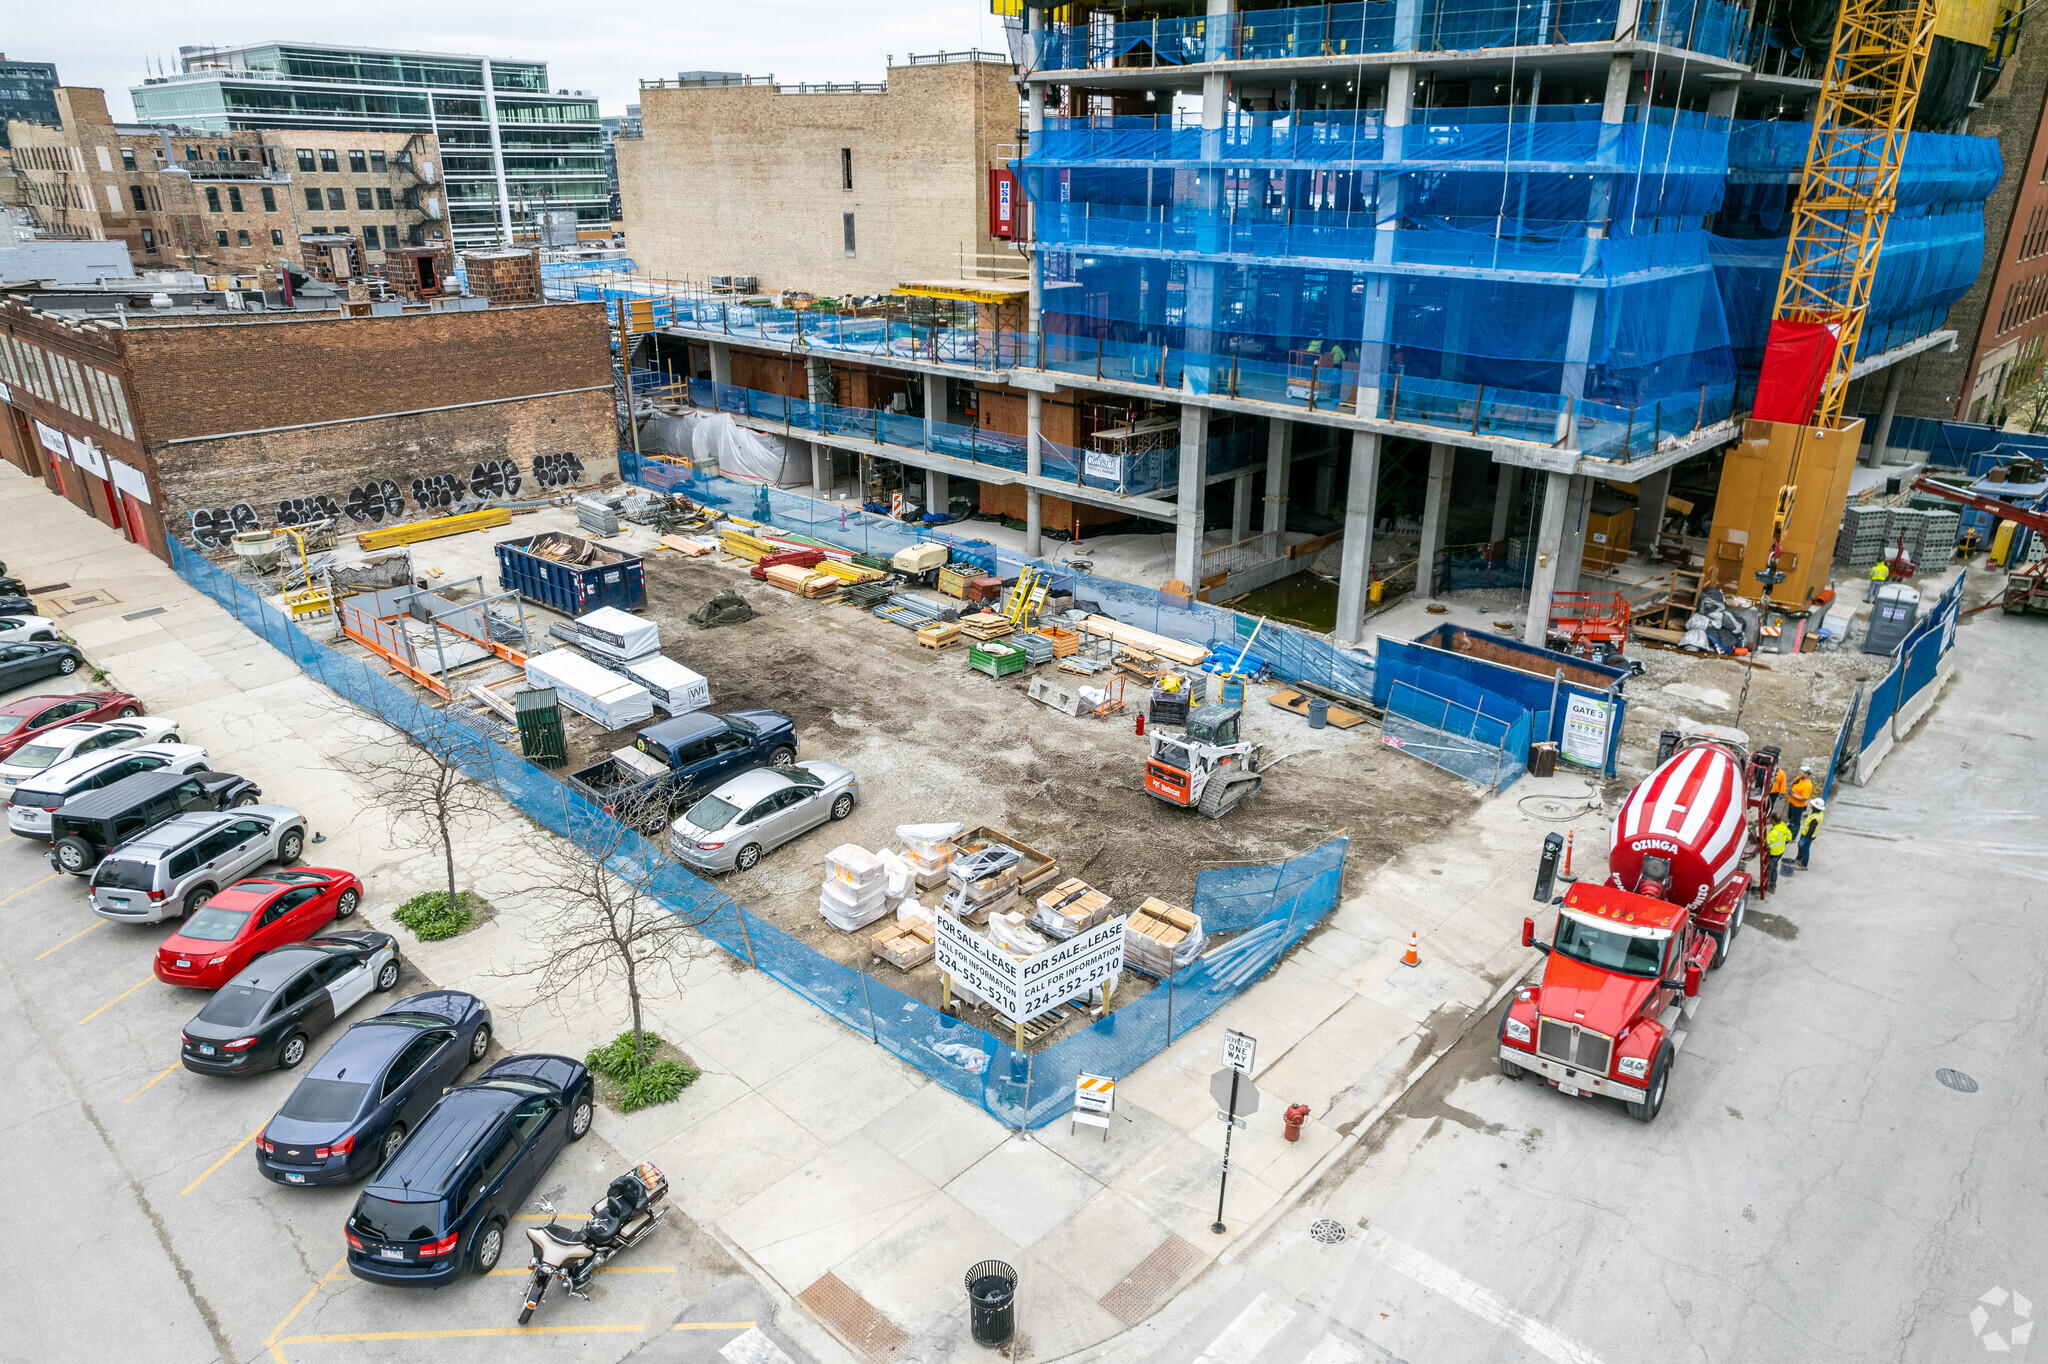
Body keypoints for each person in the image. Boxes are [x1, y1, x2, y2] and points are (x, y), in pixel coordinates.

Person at [1764, 817, 1792, 892]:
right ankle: (1773, 884)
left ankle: (1766, 885)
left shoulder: (1773, 832)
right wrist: (1783, 843)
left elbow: (1766, 842)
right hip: (1780, 852)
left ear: (1773, 821)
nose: (1770, 821)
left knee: (1769, 869)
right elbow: (1789, 837)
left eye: (1771, 820)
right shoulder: (1783, 827)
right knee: (1774, 868)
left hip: (1773, 853)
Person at [1797, 797, 1826, 869]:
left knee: (1805, 849)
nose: (1810, 806)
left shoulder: (1815, 818)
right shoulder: (1819, 813)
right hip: (1808, 835)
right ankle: (1799, 858)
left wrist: (1805, 838)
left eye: (1812, 805)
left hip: (1808, 836)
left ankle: (1804, 865)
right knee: (1801, 846)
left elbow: (1811, 830)